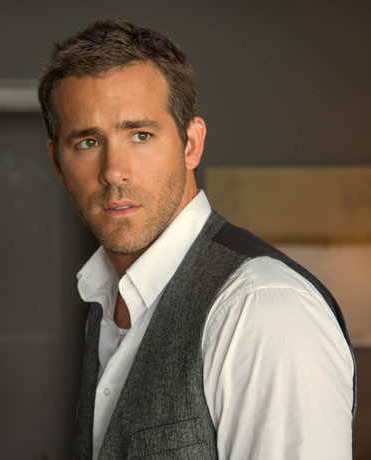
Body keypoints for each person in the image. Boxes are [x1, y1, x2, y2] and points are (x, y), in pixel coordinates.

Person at [38, 18, 356, 460]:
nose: (113, 171)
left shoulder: (261, 309)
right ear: (57, 163)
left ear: (191, 144)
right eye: (88, 142)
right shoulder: (104, 303)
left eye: (140, 135)